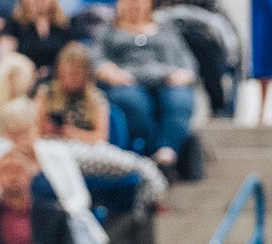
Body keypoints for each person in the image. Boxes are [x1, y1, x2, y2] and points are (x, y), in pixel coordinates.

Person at [0, 97, 108, 244]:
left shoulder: (57, 152)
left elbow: (80, 196)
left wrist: (58, 213)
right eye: (14, 134)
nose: (21, 139)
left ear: (36, 127)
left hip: (64, 218)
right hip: (18, 220)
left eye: (25, 131)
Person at [35, 42, 170, 213]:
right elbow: (37, 134)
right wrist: (51, 128)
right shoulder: (46, 94)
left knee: (142, 166)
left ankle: (149, 204)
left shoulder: (96, 98)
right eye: (66, 73)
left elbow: (100, 138)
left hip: (90, 151)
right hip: (53, 152)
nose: (69, 79)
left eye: (75, 74)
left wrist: (70, 132)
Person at [95, 0, 197, 174]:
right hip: (126, 81)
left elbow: (188, 62)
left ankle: (167, 152)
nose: (134, 4)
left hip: (166, 80)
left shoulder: (166, 29)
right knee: (131, 101)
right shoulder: (108, 31)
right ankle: (151, 154)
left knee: (180, 98)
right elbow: (96, 60)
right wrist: (108, 72)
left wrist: (185, 74)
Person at [0, 0, 69, 74]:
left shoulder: (64, 26)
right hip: (23, 79)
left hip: (57, 79)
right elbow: (6, 61)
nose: (39, 1)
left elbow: (71, 56)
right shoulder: (13, 26)